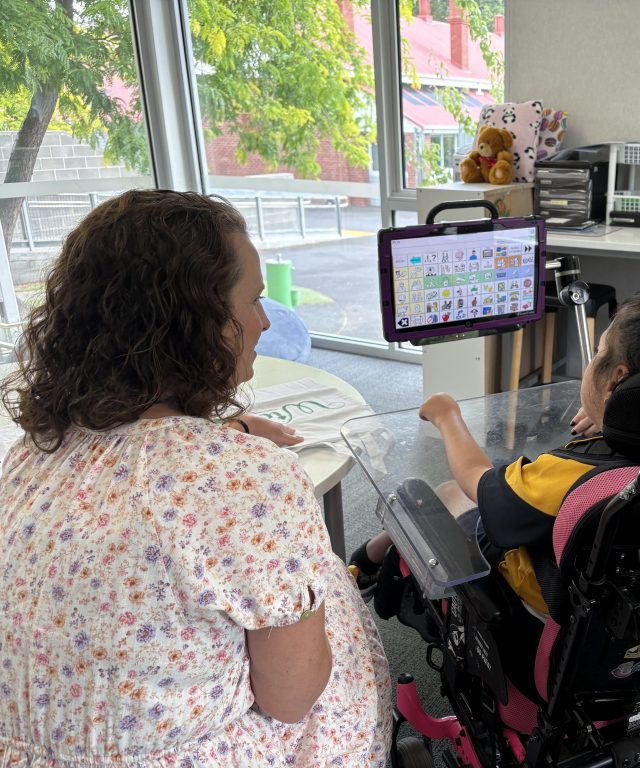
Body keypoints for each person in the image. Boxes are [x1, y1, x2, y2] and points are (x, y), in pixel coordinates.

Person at [0, 190, 391, 766]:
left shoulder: (33, 452)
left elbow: (140, 476)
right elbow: (290, 699)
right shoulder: (249, 481)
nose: (263, 322)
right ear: (193, 323)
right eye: (253, 301)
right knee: (324, 625)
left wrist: (220, 434)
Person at [350, 289, 640, 615]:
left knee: (439, 492)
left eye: (597, 354)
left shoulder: (571, 478)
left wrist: (448, 417)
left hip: (541, 601)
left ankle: (364, 566)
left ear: (615, 382)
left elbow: (479, 484)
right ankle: (367, 562)